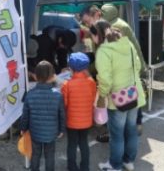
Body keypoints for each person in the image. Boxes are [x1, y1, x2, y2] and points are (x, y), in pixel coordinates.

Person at [93, 20, 145, 171]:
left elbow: (105, 79)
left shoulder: (103, 51)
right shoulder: (127, 43)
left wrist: (102, 95)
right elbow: (138, 65)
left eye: (93, 36)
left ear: (98, 35)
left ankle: (115, 165)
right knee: (131, 130)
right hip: (134, 94)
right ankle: (128, 161)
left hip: (117, 99)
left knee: (117, 135)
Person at [21, 60, 65, 171]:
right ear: (52, 77)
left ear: (35, 76)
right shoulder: (58, 95)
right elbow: (61, 115)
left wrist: (23, 128)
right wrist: (61, 129)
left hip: (35, 132)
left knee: (35, 154)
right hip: (51, 132)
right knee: (50, 155)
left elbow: (25, 114)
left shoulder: (30, 94)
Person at [62, 52, 97, 171]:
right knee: (84, 143)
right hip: (86, 120)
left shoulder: (67, 84)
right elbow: (93, 99)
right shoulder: (91, 82)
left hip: (71, 121)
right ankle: (85, 167)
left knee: (71, 144)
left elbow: (64, 104)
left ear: (71, 68)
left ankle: (72, 167)